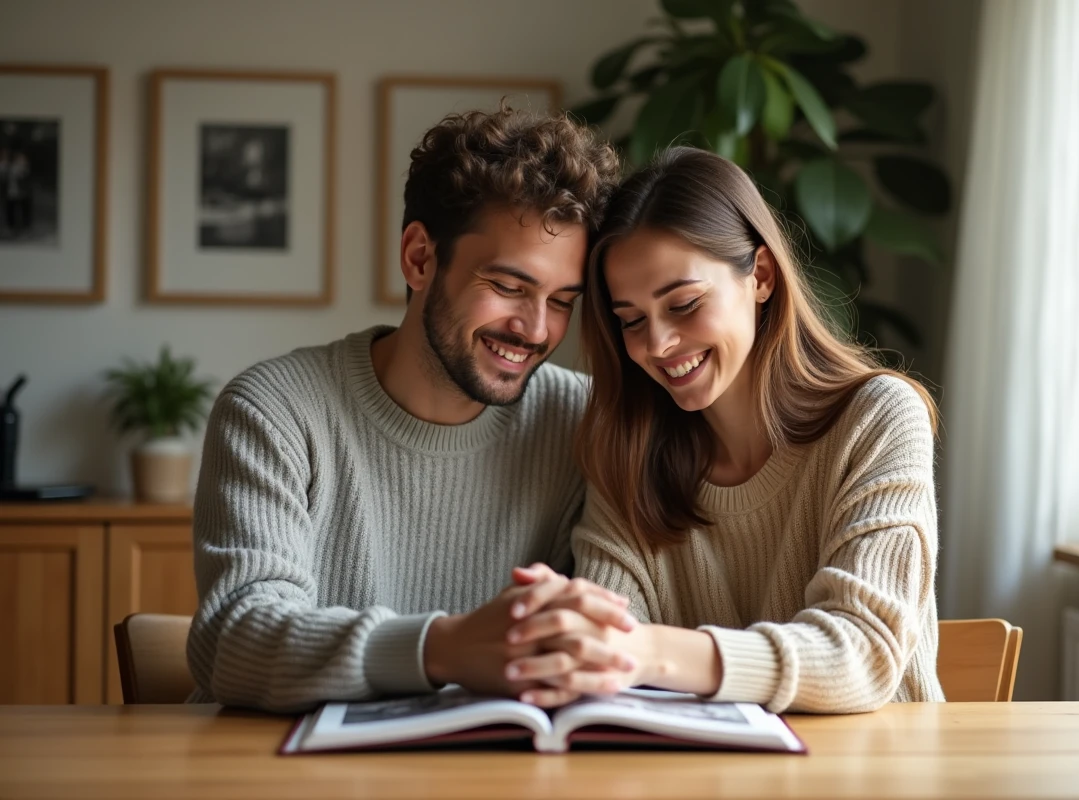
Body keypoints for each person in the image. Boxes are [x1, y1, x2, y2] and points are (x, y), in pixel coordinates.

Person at [186, 107, 638, 712]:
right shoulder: (273, 411)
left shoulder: (579, 422)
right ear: (420, 257)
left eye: (561, 300)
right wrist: (441, 647)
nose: (536, 329)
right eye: (508, 287)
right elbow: (235, 640)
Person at [504, 147, 944, 713]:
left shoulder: (878, 418)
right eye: (631, 321)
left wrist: (646, 651)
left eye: (684, 304)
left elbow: (861, 655)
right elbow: (608, 660)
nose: (657, 345)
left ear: (759, 276)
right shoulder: (629, 453)